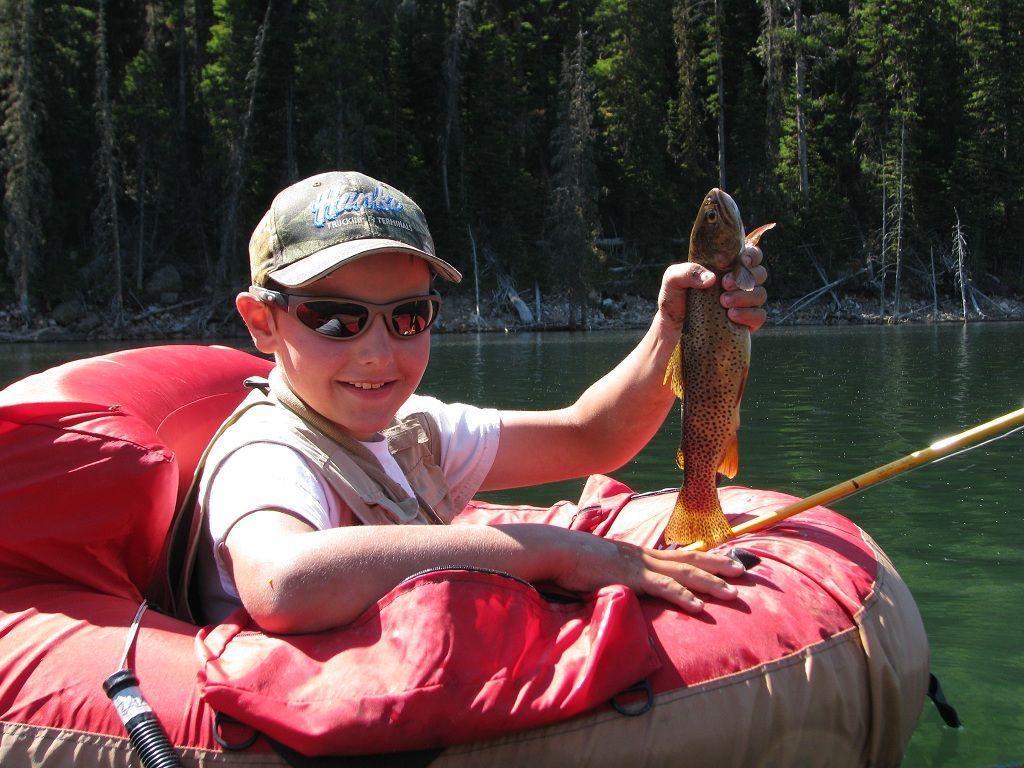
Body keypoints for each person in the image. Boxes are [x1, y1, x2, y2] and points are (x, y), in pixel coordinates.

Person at [195, 170, 768, 634]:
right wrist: (555, 552)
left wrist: (674, 324)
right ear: (261, 321)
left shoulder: (414, 434)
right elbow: (282, 584)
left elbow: (592, 437)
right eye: (334, 318)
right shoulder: (267, 457)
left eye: (408, 317)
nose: (376, 352)